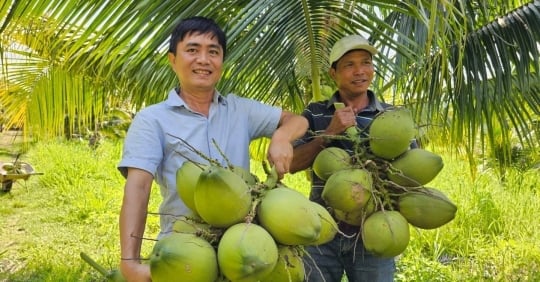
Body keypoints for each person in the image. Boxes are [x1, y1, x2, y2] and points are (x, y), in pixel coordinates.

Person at [117, 16, 308, 281]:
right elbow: (137, 188)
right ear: (173, 60)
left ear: (221, 63)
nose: (203, 60)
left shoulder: (239, 109)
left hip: (243, 248)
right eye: (193, 50)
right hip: (186, 254)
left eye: (213, 52)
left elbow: (298, 120)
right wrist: (129, 262)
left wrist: (282, 137)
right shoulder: (152, 120)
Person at [290, 35, 400, 281]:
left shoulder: (392, 117)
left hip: (373, 231)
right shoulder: (315, 112)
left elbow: (409, 173)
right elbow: (292, 163)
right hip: (321, 231)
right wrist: (327, 134)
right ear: (333, 73)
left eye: (366, 62)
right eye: (349, 65)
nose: (360, 71)